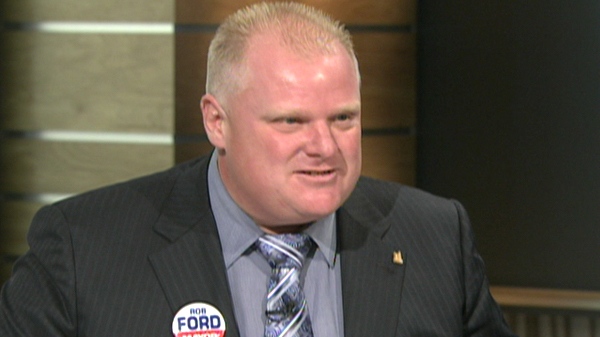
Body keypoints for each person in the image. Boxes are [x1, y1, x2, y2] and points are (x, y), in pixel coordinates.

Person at [0, 2, 517, 336]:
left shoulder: (434, 237)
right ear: (217, 121)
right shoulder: (82, 249)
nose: (324, 146)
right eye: (291, 121)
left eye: (343, 118)